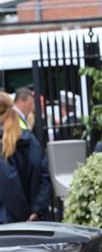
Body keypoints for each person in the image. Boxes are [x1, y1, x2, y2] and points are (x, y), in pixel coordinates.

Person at [0, 91, 52, 223]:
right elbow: (44, 177)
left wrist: (24, 216)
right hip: (33, 221)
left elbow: (9, 184)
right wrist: (36, 211)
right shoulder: (31, 140)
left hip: (8, 222)